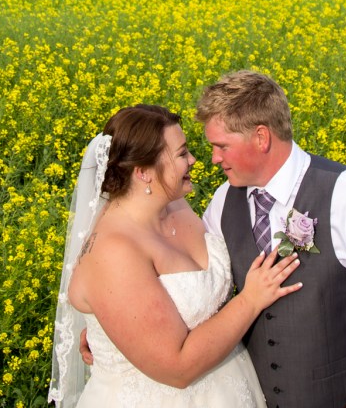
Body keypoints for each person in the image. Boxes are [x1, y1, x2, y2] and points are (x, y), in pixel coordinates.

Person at [198, 71, 346, 408]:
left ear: (261, 137)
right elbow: (200, 285)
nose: (214, 158)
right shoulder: (224, 201)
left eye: (222, 146)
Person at [49, 104, 303, 408]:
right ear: (143, 171)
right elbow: (176, 368)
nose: (194, 159)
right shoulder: (113, 252)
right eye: (182, 154)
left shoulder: (175, 204)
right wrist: (250, 300)